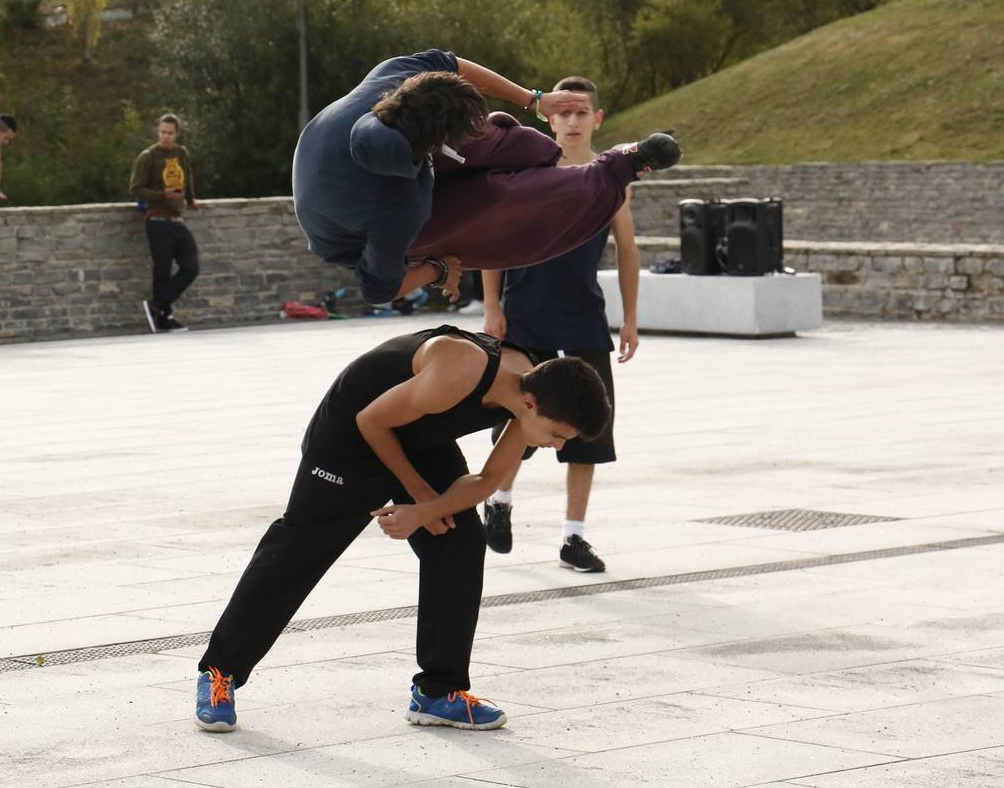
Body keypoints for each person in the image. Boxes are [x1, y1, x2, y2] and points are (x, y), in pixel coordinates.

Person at [193, 324, 611, 733]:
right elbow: (371, 420)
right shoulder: (461, 368)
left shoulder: (532, 391)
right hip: (352, 433)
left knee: (461, 540)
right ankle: (219, 672)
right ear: (531, 403)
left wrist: (428, 510)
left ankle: (438, 692)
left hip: (419, 438)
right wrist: (420, 496)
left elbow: (487, 481)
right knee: (300, 549)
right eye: (557, 435)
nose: (557, 446)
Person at [291, 49, 677, 306]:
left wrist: (533, 99)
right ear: (436, 147)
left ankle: (541, 159)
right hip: (351, 237)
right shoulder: (399, 212)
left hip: (364, 167)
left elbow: (453, 64)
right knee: (494, 198)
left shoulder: (395, 77)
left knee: (486, 136)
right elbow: (377, 289)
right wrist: (439, 268)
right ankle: (616, 169)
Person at [480, 76, 639, 574]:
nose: (572, 120)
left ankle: (574, 537)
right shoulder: (528, 170)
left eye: (581, 111)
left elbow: (628, 249)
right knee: (518, 418)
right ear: (549, 119)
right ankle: (498, 500)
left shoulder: (611, 177)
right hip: (525, 315)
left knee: (590, 429)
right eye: (563, 112)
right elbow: (493, 239)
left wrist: (631, 318)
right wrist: (492, 306)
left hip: (583, 318)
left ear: (597, 119)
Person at [130, 113, 200, 333]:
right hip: (157, 219)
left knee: (191, 266)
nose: (166, 136)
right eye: (163, 132)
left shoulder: (181, 153)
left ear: (176, 134)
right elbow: (136, 188)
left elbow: (187, 177)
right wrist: (162, 195)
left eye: (170, 133)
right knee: (162, 269)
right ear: (158, 132)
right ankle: (164, 316)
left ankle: (157, 305)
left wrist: (191, 199)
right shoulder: (148, 156)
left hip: (177, 218)